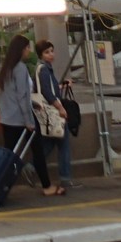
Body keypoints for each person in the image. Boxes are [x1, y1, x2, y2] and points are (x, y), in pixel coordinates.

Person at [0, 33, 66, 197]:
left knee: (9, 155)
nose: (28, 51)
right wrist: (28, 121)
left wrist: (33, 103)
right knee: (37, 151)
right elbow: (22, 96)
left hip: (6, 118)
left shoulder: (8, 68)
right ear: (21, 49)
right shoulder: (20, 68)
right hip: (20, 119)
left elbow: (12, 95)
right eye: (27, 48)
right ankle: (47, 186)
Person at [35, 39, 81, 188]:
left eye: (51, 51)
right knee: (63, 145)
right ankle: (65, 178)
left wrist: (61, 86)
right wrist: (60, 108)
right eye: (46, 52)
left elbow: (50, 89)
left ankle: (30, 167)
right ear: (40, 55)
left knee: (50, 143)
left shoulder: (43, 69)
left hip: (49, 112)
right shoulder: (44, 70)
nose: (51, 54)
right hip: (54, 112)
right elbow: (47, 92)